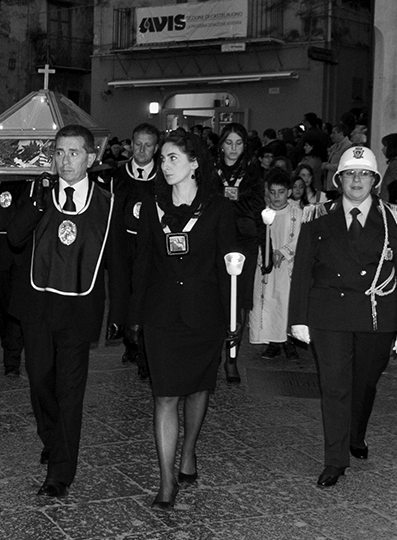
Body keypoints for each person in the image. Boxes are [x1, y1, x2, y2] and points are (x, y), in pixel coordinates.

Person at [289, 146, 397, 487]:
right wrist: (298, 317)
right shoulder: (317, 218)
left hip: (377, 315)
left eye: (364, 174)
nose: (356, 180)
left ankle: (355, 434)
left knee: (364, 384)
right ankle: (335, 459)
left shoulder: (395, 220)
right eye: (350, 174)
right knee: (334, 387)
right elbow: (302, 271)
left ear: (375, 180)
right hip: (329, 313)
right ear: (339, 179)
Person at [7, 124, 121, 498]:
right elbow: (14, 237)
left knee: (70, 391)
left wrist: (120, 311)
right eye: (58, 153)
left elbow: (117, 261)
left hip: (78, 308)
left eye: (73, 153)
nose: (65, 160)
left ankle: (60, 472)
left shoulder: (108, 202)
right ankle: (53, 437)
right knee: (41, 382)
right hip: (38, 305)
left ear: (91, 157)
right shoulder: (39, 193)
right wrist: (38, 201)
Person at [128, 130, 239, 509]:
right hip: (161, 314)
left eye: (173, 158)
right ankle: (166, 481)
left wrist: (232, 320)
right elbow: (142, 262)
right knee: (163, 396)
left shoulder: (218, 208)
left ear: (194, 164)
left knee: (197, 390)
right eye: (162, 159)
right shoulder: (151, 205)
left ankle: (189, 451)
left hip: (203, 313)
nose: (165, 165)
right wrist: (133, 315)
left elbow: (229, 267)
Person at [104, 123, 161, 380]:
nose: (142, 150)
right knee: (124, 293)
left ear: (156, 148)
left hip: (150, 248)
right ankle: (129, 341)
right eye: (138, 143)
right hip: (123, 245)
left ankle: (146, 355)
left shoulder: (163, 176)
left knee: (147, 296)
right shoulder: (116, 175)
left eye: (148, 145)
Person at [215, 122, 266, 383]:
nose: (233, 148)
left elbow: (257, 203)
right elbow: (207, 199)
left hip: (245, 240)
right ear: (221, 144)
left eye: (239, 143)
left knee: (241, 301)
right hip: (217, 240)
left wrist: (228, 199)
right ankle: (214, 351)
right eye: (229, 142)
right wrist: (231, 199)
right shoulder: (211, 168)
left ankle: (232, 358)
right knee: (217, 297)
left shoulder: (254, 171)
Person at [252, 169, 303, 360]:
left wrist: (284, 252)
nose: (276, 197)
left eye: (281, 192)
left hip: (287, 268)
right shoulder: (264, 213)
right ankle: (273, 342)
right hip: (266, 268)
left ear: (289, 192)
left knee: (285, 302)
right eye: (272, 192)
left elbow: (300, 239)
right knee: (269, 303)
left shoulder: (296, 214)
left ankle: (288, 341)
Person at [0, 179, 30, 376]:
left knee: (23, 307)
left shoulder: (31, 179)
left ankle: (18, 355)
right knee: (4, 307)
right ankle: (10, 355)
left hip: (25, 254)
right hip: (0, 254)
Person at [323, 122, 352, 195]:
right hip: (331, 183)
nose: (331, 135)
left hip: (338, 186)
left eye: (334, 133)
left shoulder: (348, 146)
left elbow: (344, 165)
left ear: (341, 133)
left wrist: (327, 166)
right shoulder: (336, 145)